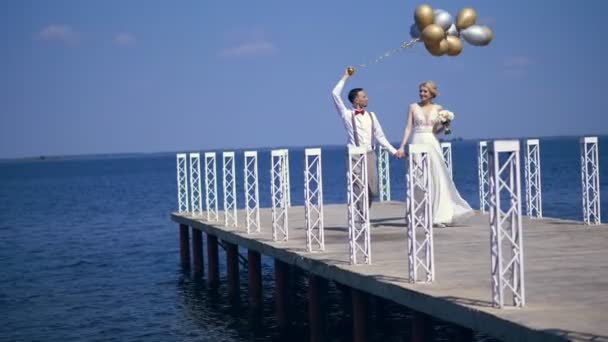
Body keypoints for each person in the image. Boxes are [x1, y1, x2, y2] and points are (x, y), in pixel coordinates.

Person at [395, 81, 473, 227]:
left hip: (431, 143)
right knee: (417, 179)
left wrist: (445, 124)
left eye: (425, 91)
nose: (422, 94)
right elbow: (408, 128)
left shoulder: (438, 108)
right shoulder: (413, 107)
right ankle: (418, 215)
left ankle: (438, 215)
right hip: (417, 141)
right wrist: (401, 147)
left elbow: (436, 131)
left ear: (431, 93)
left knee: (436, 178)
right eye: (420, 91)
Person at [332, 67, 399, 208]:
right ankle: (361, 217)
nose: (367, 98)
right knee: (358, 187)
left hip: (369, 154)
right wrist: (345, 77)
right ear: (356, 99)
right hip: (354, 154)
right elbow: (335, 94)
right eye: (364, 96)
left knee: (372, 189)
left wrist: (394, 151)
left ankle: (364, 211)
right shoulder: (346, 114)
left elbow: (380, 137)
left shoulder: (372, 115)